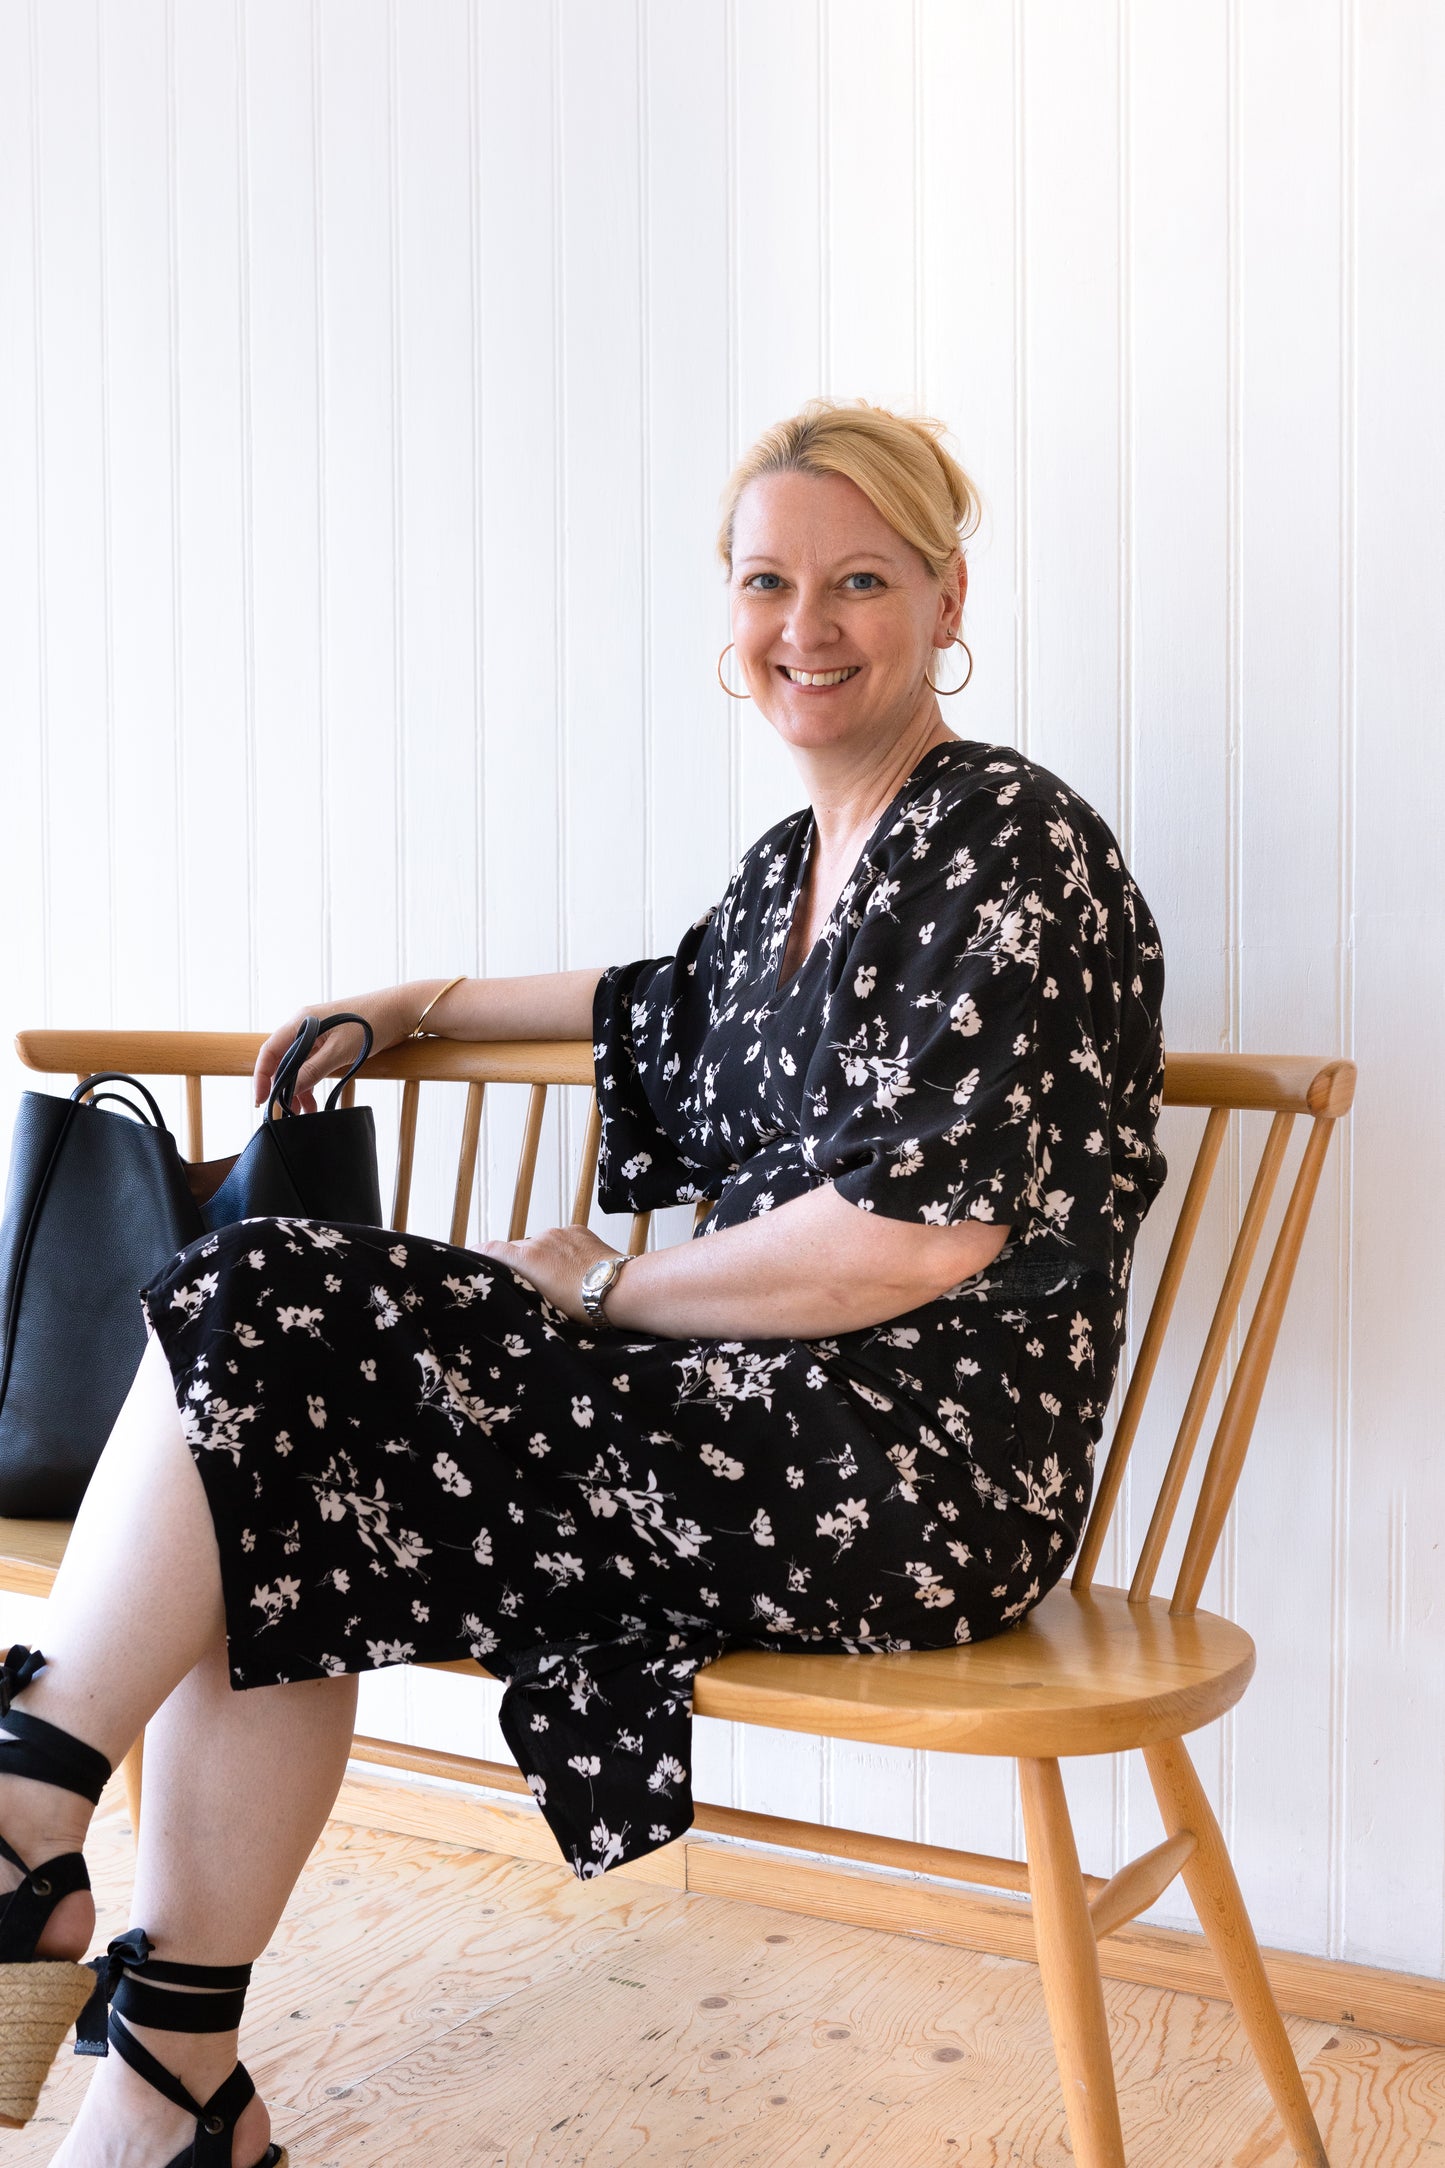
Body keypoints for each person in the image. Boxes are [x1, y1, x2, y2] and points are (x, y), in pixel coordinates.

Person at [0, 398, 1165, 2166]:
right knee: (272, 1447)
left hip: (906, 1474)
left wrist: (604, 1286)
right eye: (766, 582)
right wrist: (416, 1003)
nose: (805, 625)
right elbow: (647, 1003)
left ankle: (37, 1828)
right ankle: (166, 2080)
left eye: (858, 580)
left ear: (945, 597)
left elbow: (909, 1243)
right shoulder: (795, 870)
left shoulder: (1002, 840)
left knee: (266, 1314)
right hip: (753, 1421)